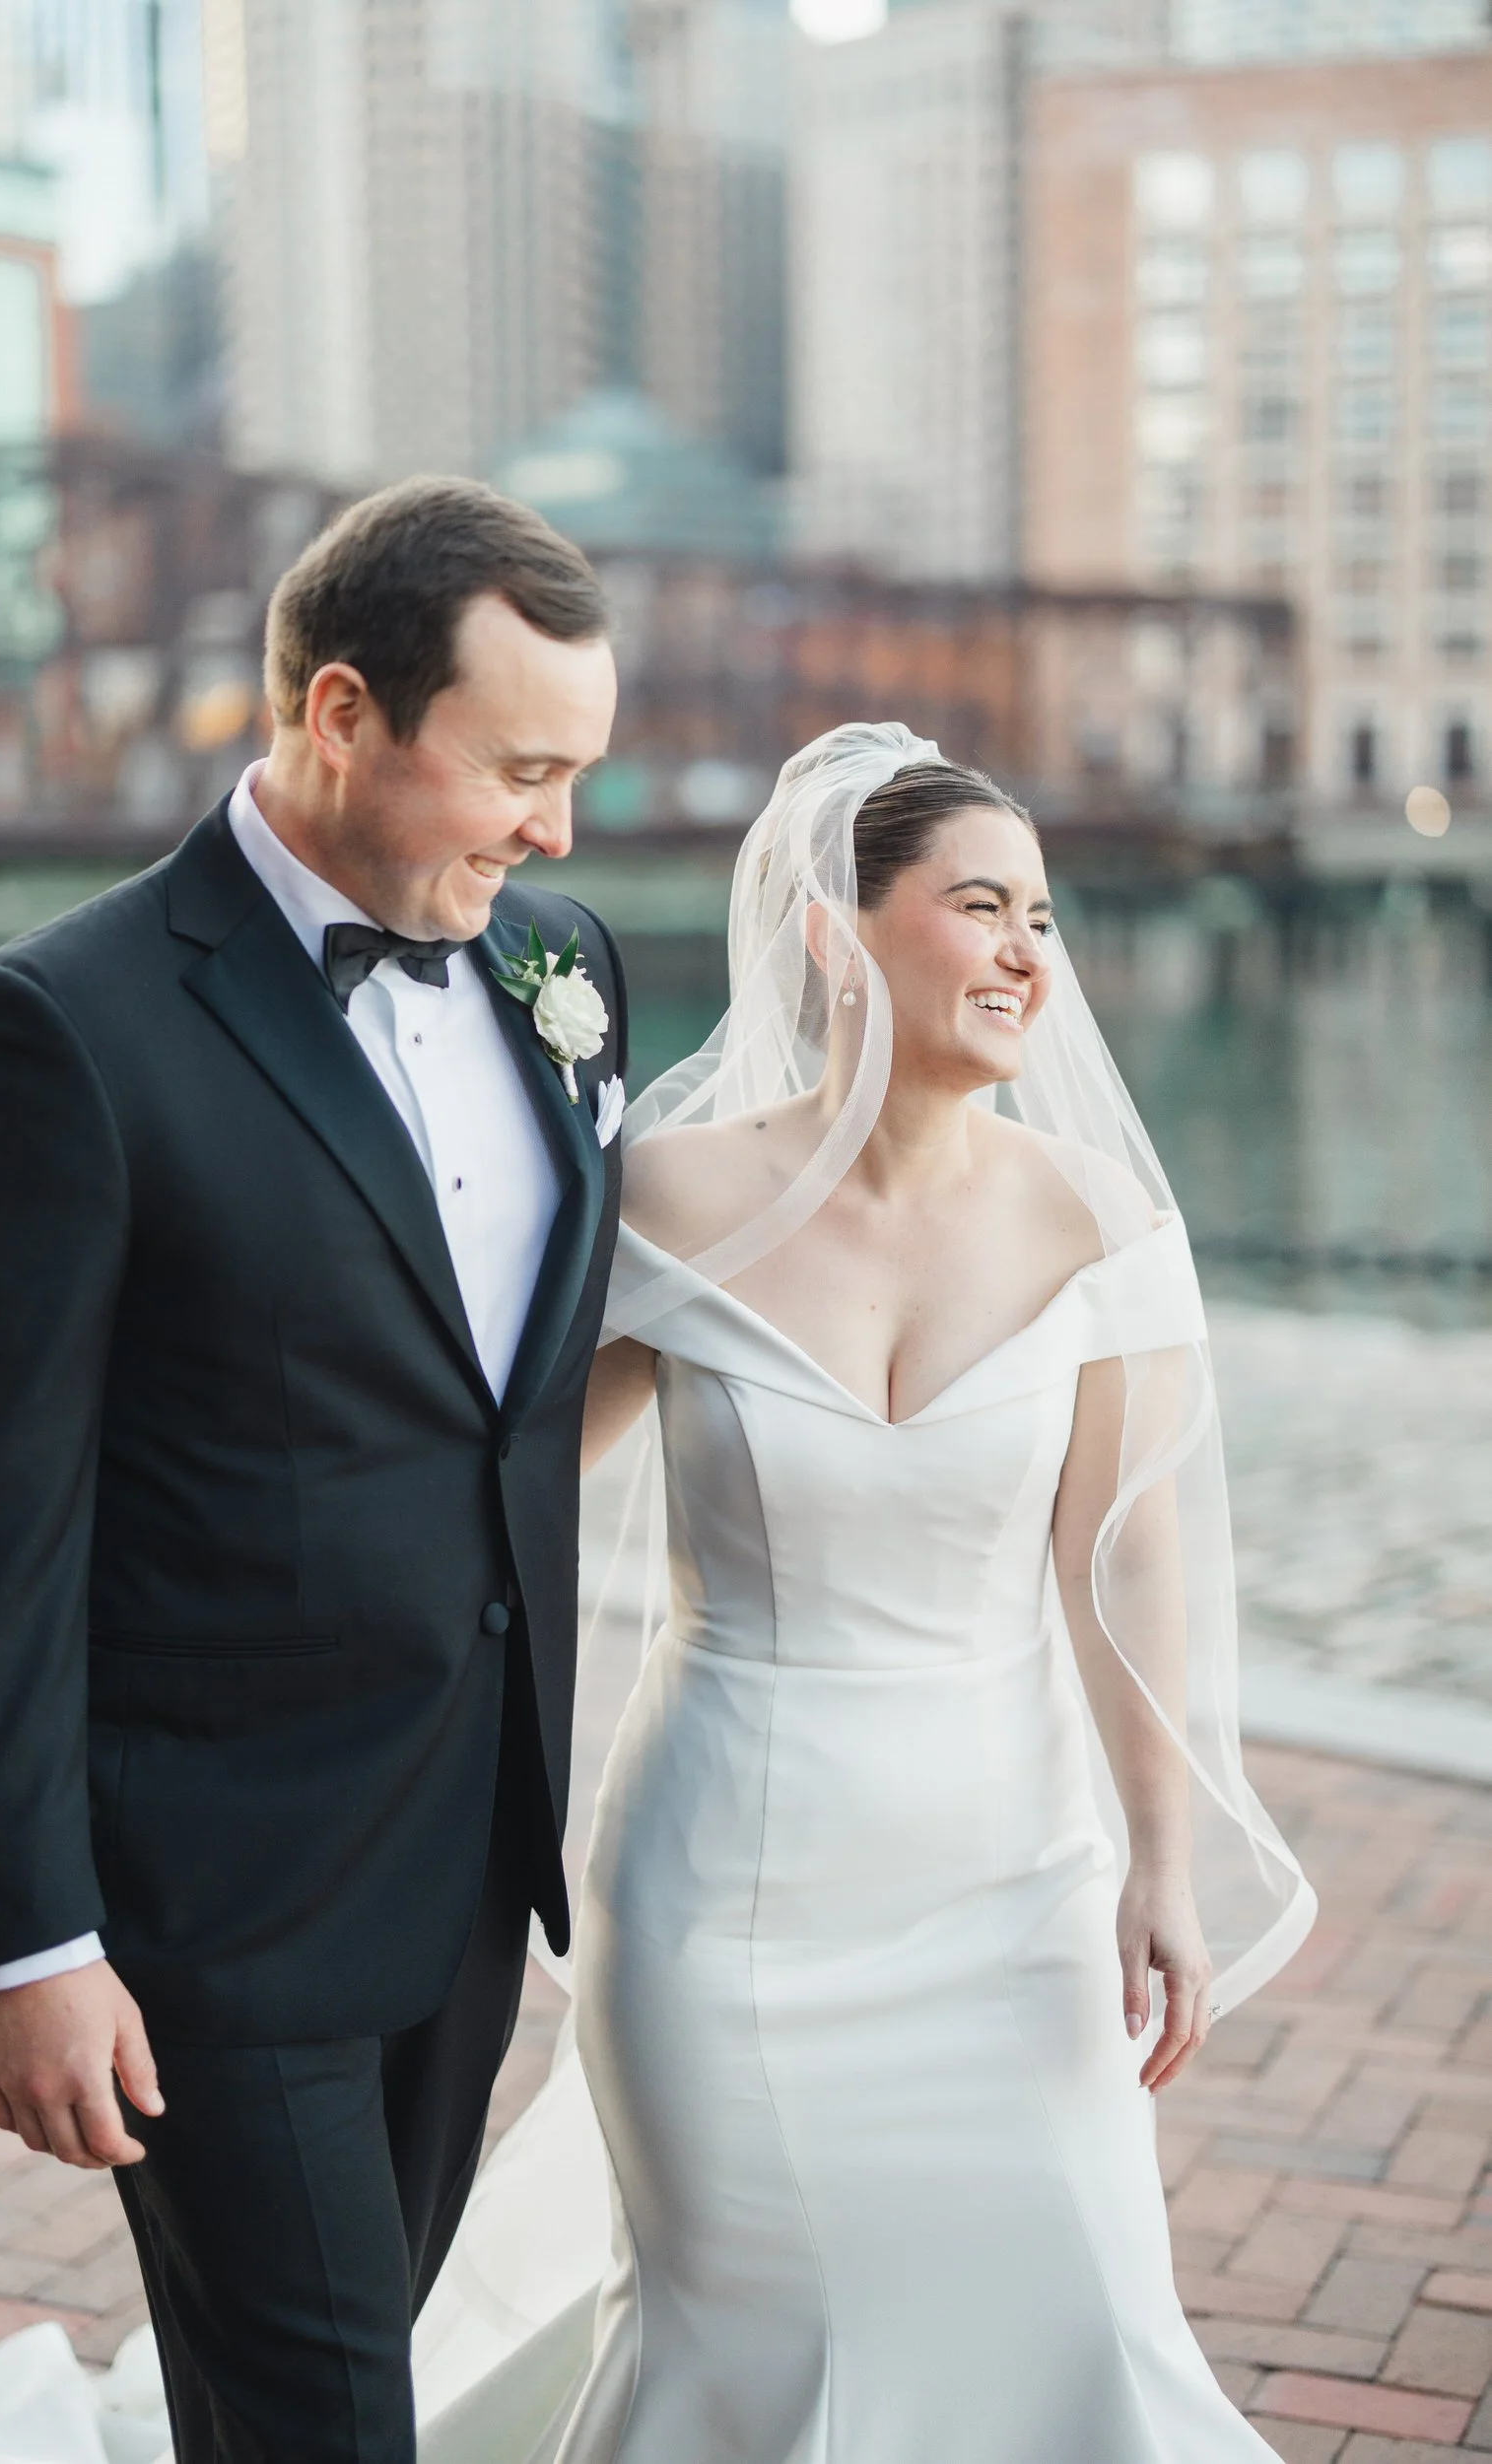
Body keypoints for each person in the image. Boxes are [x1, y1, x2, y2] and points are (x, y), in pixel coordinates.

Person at [411, 721, 1315, 2462]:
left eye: (1040, 920)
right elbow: (503, 1485)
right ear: (836, 929)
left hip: (1013, 1895)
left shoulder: (1101, 1220)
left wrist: (1162, 1862)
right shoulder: (668, 1199)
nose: (1024, 957)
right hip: (718, 1901)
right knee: (747, 2342)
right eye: (980, 907)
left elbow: (1121, 1556)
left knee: (1076, 2315)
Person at [0, 476, 626, 2464]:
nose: (557, 825)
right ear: (340, 717)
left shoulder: (561, 969)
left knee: (293, 2400)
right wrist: (29, 1940)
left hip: (466, 1865)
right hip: (212, 1899)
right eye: (521, 767)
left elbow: (506, 1391)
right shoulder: (58, 1030)